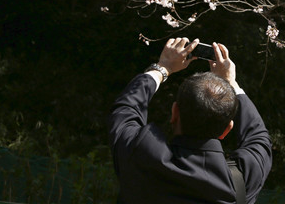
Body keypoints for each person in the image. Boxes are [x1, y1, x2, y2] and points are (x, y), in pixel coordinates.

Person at [108, 37, 272, 204]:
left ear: (174, 113)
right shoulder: (242, 180)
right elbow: (258, 136)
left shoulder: (141, 156)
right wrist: (231, 83)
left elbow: (126, 108)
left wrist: (163, 67)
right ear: (227, 129)